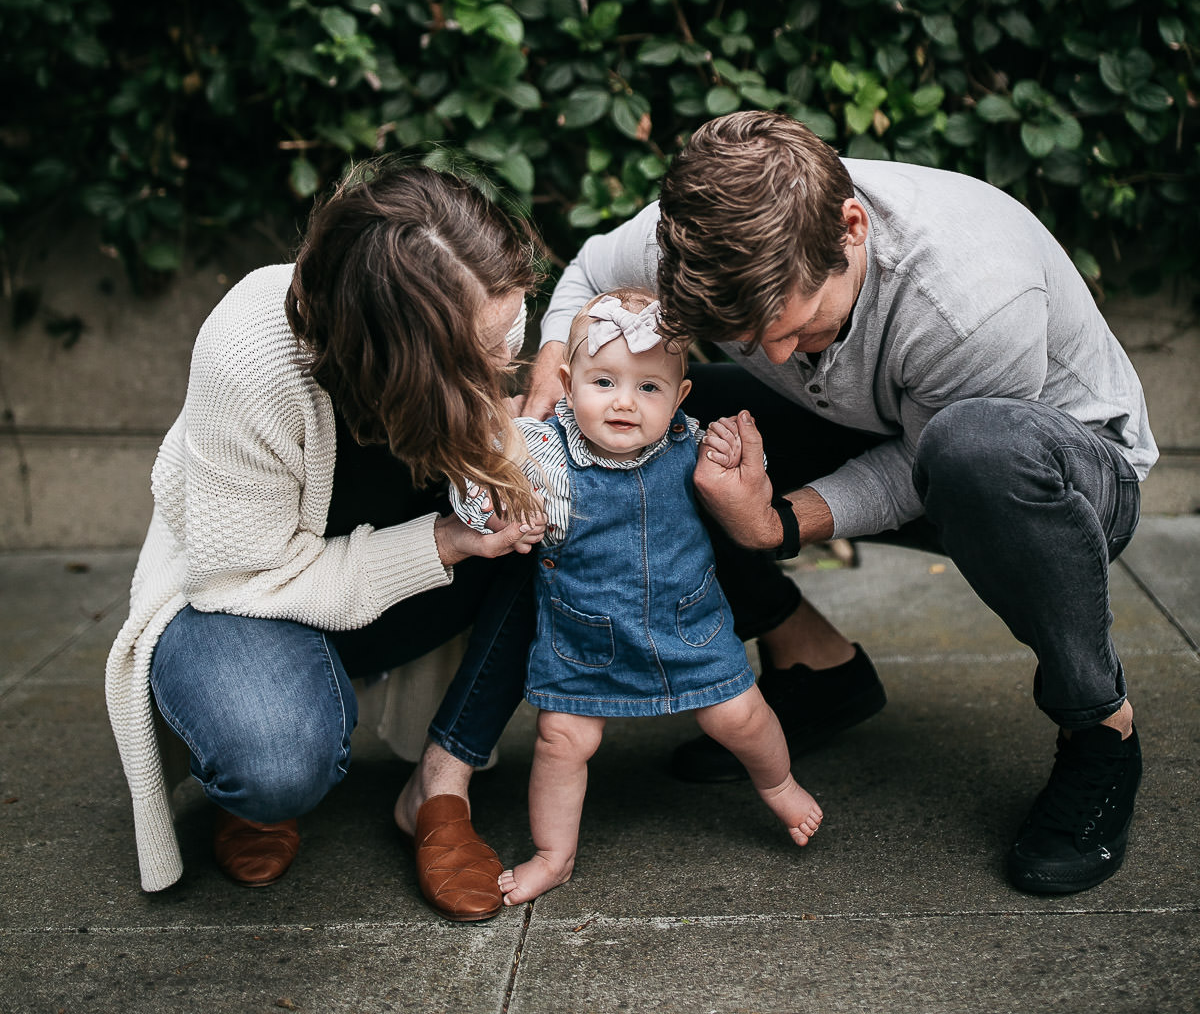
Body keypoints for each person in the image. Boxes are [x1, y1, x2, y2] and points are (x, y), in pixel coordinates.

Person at [521, 112, 1155, 898]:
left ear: (851, 228)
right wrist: (549, 373)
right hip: (889, 427)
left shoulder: (970, 299)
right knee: (658, 432)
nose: (778, 356)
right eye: (747, 336)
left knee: (973, 448)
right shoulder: (704, 233)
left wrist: (777, 522)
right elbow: (586, 272)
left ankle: (1101, 728)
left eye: (789, 326)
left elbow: (921, 469)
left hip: (1056, 477)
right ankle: (814, 667)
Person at [105, 157, 548, 921]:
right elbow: (236, 579)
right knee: (275, 758)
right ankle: (256, 792)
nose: (508, 360)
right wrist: (442, 544)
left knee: (577, 524)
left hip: (401, 593)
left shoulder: (479, 322)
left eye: (512, 326)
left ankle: (439, 792)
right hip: (250, 599)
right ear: (407, 357)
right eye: (487, 349)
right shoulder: (250, 352)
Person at [450, 289, 822, 906]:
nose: (624, 401)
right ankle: (554, 854)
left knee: (742, 717)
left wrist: (738, 464)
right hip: (585, 640)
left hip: (689, 629)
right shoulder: (545, 455)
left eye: (648, 388)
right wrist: (487, 479)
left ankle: (779, 785)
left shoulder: (694, 446)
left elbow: (739, 498)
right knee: (562, 741)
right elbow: (483, 498)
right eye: (603, 381)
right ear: (567, 385)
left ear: (678, 398)